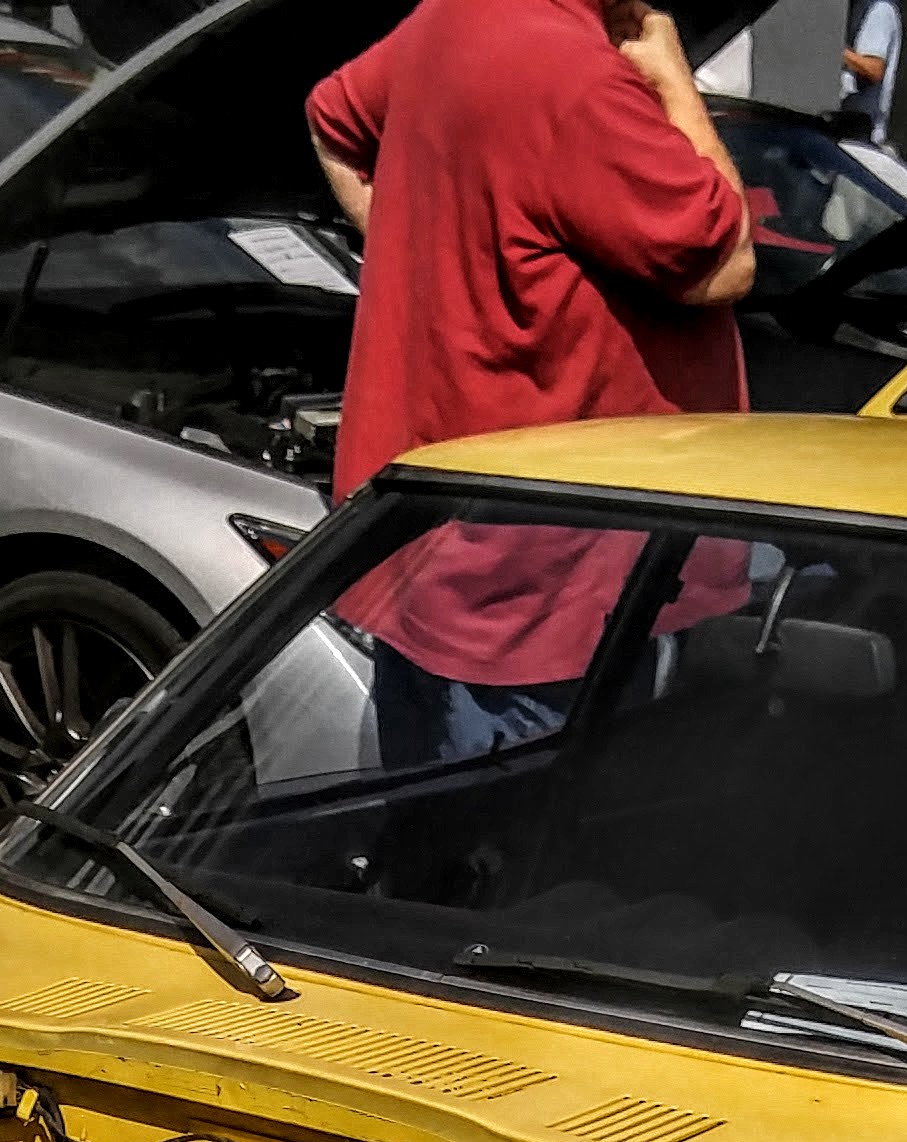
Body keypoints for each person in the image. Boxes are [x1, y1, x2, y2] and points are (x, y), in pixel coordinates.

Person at [307, 0, 758, 754]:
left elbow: (333, 122)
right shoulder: (578, 79)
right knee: (532, 856)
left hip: (430, 542)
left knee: (421, 842)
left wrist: (431, 269)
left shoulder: (451, 18)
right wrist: (675, 81)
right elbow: (727, 265)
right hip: (556, 583)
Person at [836, 0, 901, 145]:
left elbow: (873, 69)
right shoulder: (851, 9)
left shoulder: (878, 10)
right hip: (842, 127)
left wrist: (834, 48)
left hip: (863, 135)